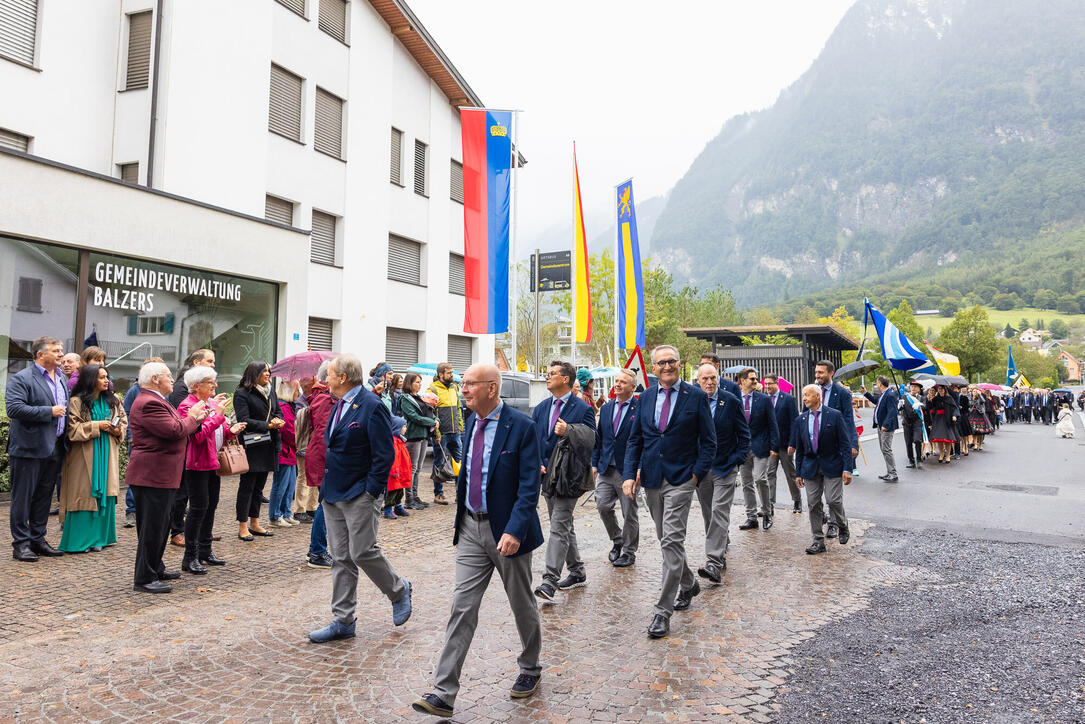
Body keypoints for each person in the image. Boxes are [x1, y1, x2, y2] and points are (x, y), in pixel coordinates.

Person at [412, 363, 544, 717]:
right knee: (462, 607)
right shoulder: (471, 422)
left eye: (469, 384)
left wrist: (515, 530)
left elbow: (530, 485)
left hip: (508, 532)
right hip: (471, 528)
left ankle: (530, 667)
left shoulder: (522, 428)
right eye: (463, 383)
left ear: (491, 388)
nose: (463, 389)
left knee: (521, 603)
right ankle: (443, 692)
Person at [308, 354, 412, 643]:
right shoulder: (337, 404)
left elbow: (384, 454)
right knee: (341, 557)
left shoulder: (371, 406)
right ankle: (343, 620)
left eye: (329, 374)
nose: (325, 379)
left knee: (362, 551)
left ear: (343, 377)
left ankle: (399, 590)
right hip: (333, 493)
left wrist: (371, 492)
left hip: (359, 493)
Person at [622, 344, 716, 639]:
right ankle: (688, 583)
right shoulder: (645, 397)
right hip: (651, 479)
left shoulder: (696, 396)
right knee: (667, 539)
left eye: (671, 361)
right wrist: (629, 475)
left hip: (681, 479)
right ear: (652, 368)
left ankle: (663, 612)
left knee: (672, 538)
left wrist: (696, 475)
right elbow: (635, 440)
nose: (666, 366)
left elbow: (709, 442)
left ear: (679, 363)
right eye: (661, 363)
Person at [127, 362, 208, 592]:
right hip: (152, 474)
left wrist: (196, 419)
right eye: (169, 376)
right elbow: (174, 430)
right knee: (152, 528)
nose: (173, 380)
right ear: (155, 379)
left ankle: (155, 567)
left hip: (161, 474)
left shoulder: (158, 401)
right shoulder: (149, 403)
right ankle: (144, 578)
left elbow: (179, 427)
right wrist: (192, 417)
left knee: (161, 526)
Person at [531, 360, 597, 603]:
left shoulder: (582, 409)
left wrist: (569, 429)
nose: (547, 377)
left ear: (566, 379)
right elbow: (534, 440)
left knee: (558, 526)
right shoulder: (540, 408)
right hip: (545, 477)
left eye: (552, 374)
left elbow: (592, 441)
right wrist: (536, 461)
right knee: (564, 525)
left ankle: (549, 579)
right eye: (547, 374)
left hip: (570, 477)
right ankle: (577, 571)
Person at [6, 336, 68, 562]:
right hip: (28, 448)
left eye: (61, 350)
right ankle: (20, 544)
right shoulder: (22, 378)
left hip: (55, 447)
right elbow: (13, 408)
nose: (61, 354)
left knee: (44, 497)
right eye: (56, 350)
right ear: (40, 355)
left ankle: (37, 540)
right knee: (23, 499)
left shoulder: (61, 378)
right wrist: (48, 412)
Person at [177, 367, 245, 573]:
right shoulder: (187, 406)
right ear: (196, 386)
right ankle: (190, 557)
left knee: (210, 507)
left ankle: (205, 551)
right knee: (198, 510)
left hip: (212, 462)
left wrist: (230, 431)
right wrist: (218, 416)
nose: (215, 385)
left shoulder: (212, 404)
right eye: (210, 382)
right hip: (196, 464)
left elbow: (217, 432)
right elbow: (196, 436)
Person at [58, 365, 126, 553]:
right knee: (84, 492)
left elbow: (124, 422)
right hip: (84, 454)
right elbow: (72, 430)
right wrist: (96, 426)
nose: (107, 381)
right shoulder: (76, 402)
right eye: (102, 377)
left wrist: (116, 429)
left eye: (107, 377)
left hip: (108, 452)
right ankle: (80, 540)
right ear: (90, 380)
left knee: (107, 491)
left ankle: (100, 538)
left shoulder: (114, 401)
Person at [694, 363, 748, 584]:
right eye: (705, 379)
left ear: (718, 378)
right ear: (698, 380)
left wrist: (737, 460)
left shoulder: (731, 401)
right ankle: (720, 545)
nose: (709, 382)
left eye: (713, 378)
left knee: (719, 512)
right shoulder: (692, 401)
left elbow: (744, 436)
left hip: (725, 467)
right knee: (709, 513)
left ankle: (714, 562)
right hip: (701, 468)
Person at [791, 384, 853, 554]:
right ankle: (818, 540)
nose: (804, 398)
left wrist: (848, 468)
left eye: (807, 395)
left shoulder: (834, 416)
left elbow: (845, 444)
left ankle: (842, 524)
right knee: (813, 504)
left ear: (817, 396)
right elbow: (801, 448)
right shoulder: (801, 419)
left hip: (832, 465)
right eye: (803, 395)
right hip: (810, 468)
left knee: (833, 500)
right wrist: (798, 473)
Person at [167, 349, 216, 547]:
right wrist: (218, 417)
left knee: (207, 504)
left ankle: (202, 537)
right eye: (209, 361)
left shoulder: (208, 400)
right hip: (191, 456)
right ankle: (180, 532)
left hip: (209, 457)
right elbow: (193, 429)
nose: (213, 364)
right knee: (186, 497)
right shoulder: (183, 392)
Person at [592, 369, 639, 568]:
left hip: (627, 469)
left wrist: (639, 468)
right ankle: (617, 539)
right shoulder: (607, 407)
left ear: (633, 387)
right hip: (606, 467)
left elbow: (642, 440)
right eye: (616, 381)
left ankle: (629, 552)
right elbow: (599, 438)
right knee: (602, 506)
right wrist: (594, 463)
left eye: (623, 382)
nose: (617, 384)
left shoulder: (639, 408)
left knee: (629, 512)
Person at [233, 361, 285, 541]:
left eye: (269, 371)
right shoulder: (242, 393)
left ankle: (255, 522)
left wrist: (278, 421)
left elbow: (278, 412)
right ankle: (242, 526)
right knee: (247, 487)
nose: (268, 374)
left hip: (268, 444)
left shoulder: (271, 392)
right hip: (252, 445)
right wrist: (267, 425)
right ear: (254, 373)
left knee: (259, 488)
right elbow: (243, 419)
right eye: (265, 371)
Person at [813, 360, 857, 538]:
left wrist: (852, 443)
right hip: (816, 448)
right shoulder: (812, 390)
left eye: (821, 373)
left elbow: (848, 420)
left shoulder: (842, 394)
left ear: (831, 373)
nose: (817, 376)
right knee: (815, 493)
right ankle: (823, 518)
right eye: (816, 372)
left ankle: (833, 523)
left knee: (833, 493)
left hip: (835, 448)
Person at [121, 356, 165, 528]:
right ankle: (131, 510)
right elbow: (127, 413)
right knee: (137, 476)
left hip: (158, 443)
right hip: (139, 441)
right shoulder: (135, 391)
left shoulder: (164, 391)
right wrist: (131, 436)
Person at [734, 367, 779, 531]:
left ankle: (767, 513)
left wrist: (774, 446)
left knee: (760, 478)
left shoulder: (764, 400)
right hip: (742, 448)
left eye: (755, 379)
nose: (756, 381)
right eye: (752, 379)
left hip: (761, 446)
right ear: (743, 381)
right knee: (746, 483)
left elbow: (773, 424)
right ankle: (751, 517)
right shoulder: (735, 399)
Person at [302, 363, 335, 569]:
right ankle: (317, 552)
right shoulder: (325, 399)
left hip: (323, 455)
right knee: (327, 504)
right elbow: (326, 434)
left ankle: (316, 549)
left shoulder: (323, 397)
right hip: (324, 457)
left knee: (327, 503)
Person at [295, 367, 331, 524]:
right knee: (303, 477)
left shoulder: (318, 396)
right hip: (306, 443)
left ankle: (310, 507)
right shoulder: (306, 399)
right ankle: (299, 509)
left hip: (312, 443)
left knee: (313, 478)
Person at [399, 372, 438, 511]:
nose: (419, 384)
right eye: (416, 382)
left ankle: (415, 496)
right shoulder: (405, 398)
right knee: (412, 468)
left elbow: (430, 412)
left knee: (418, 469)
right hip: (413, 436)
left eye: (420, 382)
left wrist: (436, 420)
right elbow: (414, 417)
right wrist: (431, 421)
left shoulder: (419, 397)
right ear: (409, 383)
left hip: (423, 435)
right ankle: (409, 499)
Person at [763, 374, 801, 513]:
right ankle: (770, 504)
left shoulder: (789, 400)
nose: (767, 387)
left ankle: (797, 500)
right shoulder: (763, 399)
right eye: (765, 384)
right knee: (769, 474)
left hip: (785, 444)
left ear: (777, 383)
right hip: (770, 446)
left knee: (790, 473)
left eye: (770, 384)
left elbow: (794, 423)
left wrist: (793, 442)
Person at [429, 362, 465, 505]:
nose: (452, 375)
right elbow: (430, 412)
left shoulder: (454, 387)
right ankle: (438, 494)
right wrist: (436, 432)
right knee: (440, 462)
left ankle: (460, 493)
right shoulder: (432, 389)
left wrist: (460, 425)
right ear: (441, 374)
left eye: (452, 372)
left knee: (459, 462)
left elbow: (458, 408)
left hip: (455, 431)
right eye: (449, 373)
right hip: (441, 433)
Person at [269, 380, 300, 527]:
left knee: (290, 485)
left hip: (290, 452)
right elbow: (288, 431)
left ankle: (285, 513)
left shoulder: (289, 407)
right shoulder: (283, 407)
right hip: (284, 451)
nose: (298, 393)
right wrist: (299, 440)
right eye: (296, 390)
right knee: (280, 485)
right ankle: (275, 516)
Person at [861, 376, 899, 483]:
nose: (876, 384)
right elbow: (875, 400)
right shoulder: (883, 394)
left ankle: (893, 473)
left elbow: (892, 411)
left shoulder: (890, 395)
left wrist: (886, 425)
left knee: (886, 449)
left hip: (886, 427)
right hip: (880, 426)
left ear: (880, 384)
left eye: (877, 382)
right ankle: (890, 471)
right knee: (884, 449)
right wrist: (865, 393)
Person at [928, 385, 959, 464]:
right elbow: (930, 408)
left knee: (947, 439)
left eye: (942, 389)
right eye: (939, 389)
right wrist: (930, 400)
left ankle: (948, 455)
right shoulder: (935, 399)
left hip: (947, 419)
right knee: (939, 438)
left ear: (945, 390)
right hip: (938, 420)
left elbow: (955, 408)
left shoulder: (949, 398)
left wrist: (954, 415)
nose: (940, 390)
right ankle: (941, 454)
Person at [900, 382, 927, 469]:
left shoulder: (922, 398)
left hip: (917, 422)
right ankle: (911, 461)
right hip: (907, 422)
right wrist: (900, 405)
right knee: (908, 442)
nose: (913, 388)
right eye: (912, 386)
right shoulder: (905, 397)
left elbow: (925, 406)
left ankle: (919, 460)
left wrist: (919, 405)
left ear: (919, 389)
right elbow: (900, 408)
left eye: (915, 387)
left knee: (917, 440)